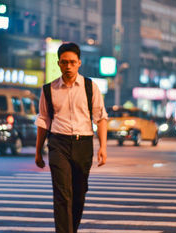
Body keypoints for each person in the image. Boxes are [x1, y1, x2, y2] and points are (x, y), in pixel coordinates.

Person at [35, 42, 108, 233]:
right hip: (58, 143)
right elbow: (43, 120)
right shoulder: (48, 90)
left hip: (83, 143)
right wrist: (38, 151)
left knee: (78, 194)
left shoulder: (90, 87)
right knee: (62, 194)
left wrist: (103, 147)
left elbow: (101, 118)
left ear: (79, 63)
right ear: (58, 63)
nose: (68, 66)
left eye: (72, 62)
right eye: (64, 62)